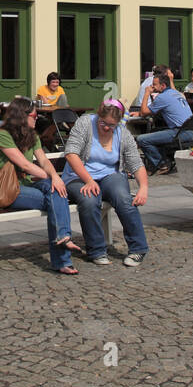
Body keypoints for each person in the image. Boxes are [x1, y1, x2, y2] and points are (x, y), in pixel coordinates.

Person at [0, 98, 80, 274]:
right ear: (22, 116)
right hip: (6, 189)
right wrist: (53, 178)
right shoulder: (3, 135)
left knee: (53, 190)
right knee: (56, 196)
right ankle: (63, 257)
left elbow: (43, 160)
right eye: (34, 114)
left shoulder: (32, 136)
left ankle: (63, 239)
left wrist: (54, 176)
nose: (37, 117)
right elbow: (25, 165)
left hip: (25, 185)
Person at [62, 100, 149, 267]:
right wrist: (88, 180)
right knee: (89, 199)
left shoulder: (122, 133)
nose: (107, 128)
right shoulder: (85, 123)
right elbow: (71, 153)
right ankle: (96, 250)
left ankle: (138, 249)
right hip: (78, 175)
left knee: (124, 198)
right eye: (103, 123)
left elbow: (136, 163)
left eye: (112, 125)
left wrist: (143, 187)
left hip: (109, 174)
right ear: (98, 116)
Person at [136, 68, 193, 173]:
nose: (152, 86)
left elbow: (144, 112)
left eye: (155, 84)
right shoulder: (175, 93)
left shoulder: (162, 97)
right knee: (155, 132)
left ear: (163, 86)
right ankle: (166, 159)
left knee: (142, 139)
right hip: (192, 131)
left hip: (180, 133)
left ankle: (162, 163)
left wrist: (146, 93)